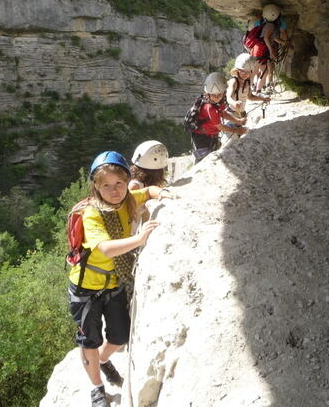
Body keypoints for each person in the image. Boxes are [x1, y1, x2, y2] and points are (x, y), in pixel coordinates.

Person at [68, 151, 175, 407]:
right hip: (86, 287)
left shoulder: (127, 200)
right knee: (89, 340)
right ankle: (96, 387)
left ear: (127, 180)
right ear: (96, 186)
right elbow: (104, 248)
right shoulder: (92, 213)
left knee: (120, 336)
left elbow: (148, 192)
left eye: (119, 183)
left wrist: (164, 194)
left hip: (113, 283)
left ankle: (103, 361)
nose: (114, 190)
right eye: (106, 185)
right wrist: (139, 240)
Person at [191, 72, 247, 163]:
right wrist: (237, 131)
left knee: (211, 158)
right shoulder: (210, 107)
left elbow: (222, 113)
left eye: (219, 95)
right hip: (202, 139)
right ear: (208, 93)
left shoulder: (217, 103)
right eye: (214, 95)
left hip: (210, 135)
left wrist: (238, 121)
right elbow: (220, 126)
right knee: (203, 162)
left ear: (223, 92)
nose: (217, 97)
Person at [226, 54, 269, 141]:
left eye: (248, 71)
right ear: (237, 70)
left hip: (241, 114)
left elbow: (250, 96)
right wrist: (234, 103)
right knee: (234, 140)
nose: (245, 74)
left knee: (241, 139)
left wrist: (263, 99)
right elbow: (228, 97)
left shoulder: (247, 82)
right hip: (231, 115)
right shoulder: (233, 82)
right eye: (243, 71)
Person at [250, 4, 288, 93]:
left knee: (260, 70)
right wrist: (272, 50)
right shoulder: (272, 25)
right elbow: (267, 38)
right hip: (263, 49)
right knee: (266, 70)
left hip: (256, 48)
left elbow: (271, 37)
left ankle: (255, 88)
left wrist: (283, 43)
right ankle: (262, 87)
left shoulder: (261, 23)